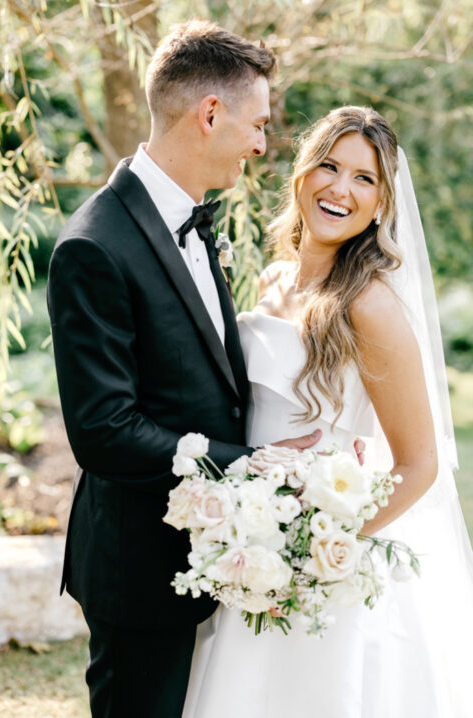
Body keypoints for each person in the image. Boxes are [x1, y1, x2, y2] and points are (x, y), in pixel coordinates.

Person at [47, 21, 324, 718]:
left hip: (218, 553)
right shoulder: (93, 245)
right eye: (256, 125)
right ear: (209, 115)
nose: (262, 145)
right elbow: (105, 432)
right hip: (141, 567)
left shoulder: (197, 220)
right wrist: (255, 465)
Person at [182, 106, 473, 718]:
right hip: (252, 545)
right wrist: (249, 532)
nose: (341, 189)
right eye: (330, 166)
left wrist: (313, 555)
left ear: (382, 202)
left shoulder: (370, 306)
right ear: (302, 175)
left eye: (365, 179)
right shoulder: (273, 281)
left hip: (322, 574)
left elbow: (420, 463)